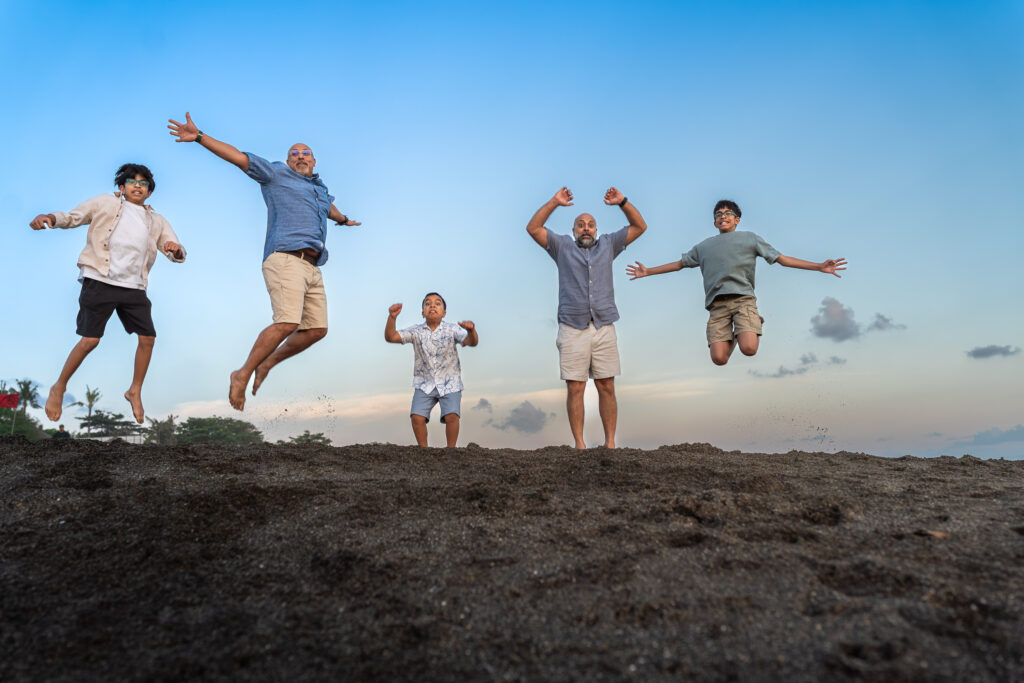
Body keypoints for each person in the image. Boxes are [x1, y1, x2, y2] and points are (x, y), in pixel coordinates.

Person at [167, 112, 361, 410]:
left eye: (305, 153)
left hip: (312, 265)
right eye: (294, 153)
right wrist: (201, 137)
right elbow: (238, 157)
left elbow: (328, 207)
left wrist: (343, 219)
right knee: (286, 322)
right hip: (285, 258)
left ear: (314, 161)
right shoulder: (276, 174)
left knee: (317, 330)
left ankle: (267, 361)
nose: (299, 156)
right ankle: (241, 374)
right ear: (288, 161)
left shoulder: (319, 189)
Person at [30, 163, 186, 424]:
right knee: (90, 341)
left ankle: (134, 389)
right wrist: (51, 218)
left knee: (148, 338)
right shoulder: (105, 203)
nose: (138, 186)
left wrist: (175, 249)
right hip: (100, 279)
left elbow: (175, 250)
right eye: (132, 182)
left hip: (134, 286)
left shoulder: (156, 220)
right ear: (122, 188)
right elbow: (74, 217)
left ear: (149, 192)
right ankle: (59, 386)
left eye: (144, 183)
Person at [627, 199, 847, 365]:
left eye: (728, 213)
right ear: (714, 221)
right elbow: (679, 264)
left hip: (743, 301)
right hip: (717, 306)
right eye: (718, 214)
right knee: (719, 359)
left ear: (737, 219)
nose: (723, 216)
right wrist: (648, 272)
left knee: (749, 349)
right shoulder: (703, 247)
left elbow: (782, 259)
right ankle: (740, 331)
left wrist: (819, 266)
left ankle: (752, 322)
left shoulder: (750, 238)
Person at [526, 186, 647, 449]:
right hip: (572, 326)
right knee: (576, 387)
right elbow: (533, 228)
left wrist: (622, 202)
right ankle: (579, 444)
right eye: (580, 224)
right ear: (573, 231)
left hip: (604, 325)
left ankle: (610, 443)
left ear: (597, 230)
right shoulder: (561, 246)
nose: (586, 228)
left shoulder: (609, 245)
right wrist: (554, 202)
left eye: (591, 225)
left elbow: (640, 226)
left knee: (606, 385)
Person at [384, 293, 479, 447]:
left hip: (450, 382)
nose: (432, 306)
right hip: (424, 382)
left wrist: (471, 331)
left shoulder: (452, 329)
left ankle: (451, 449)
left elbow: (471, 342)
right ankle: (423, 450)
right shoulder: (416, 331)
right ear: (423, 313)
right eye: (428, 304)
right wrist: (392, 318)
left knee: (452, 416)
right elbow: (391, 337)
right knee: (416, 417)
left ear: (444, 313)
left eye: (437, 303)